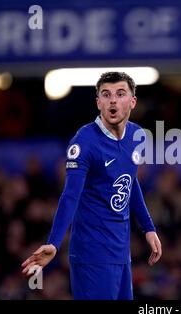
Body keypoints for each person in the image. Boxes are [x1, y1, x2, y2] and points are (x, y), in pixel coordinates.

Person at [21, 72, 162, 300]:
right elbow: (70, 196)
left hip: (121, 253)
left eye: (120, 94)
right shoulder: (84, 142)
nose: (113, 100)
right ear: (98, 102)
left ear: (132, 102)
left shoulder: (136, 135)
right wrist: (54, 243)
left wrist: (148, 228)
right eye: (106, 95)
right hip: (92, 256)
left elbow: (129, 181)